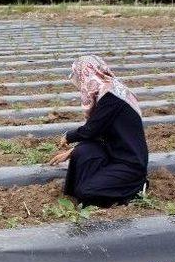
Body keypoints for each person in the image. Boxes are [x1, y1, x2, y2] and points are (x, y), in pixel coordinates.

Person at [49, 55, 148, 207]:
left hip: (129, 163)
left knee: (86, 192)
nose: (79, 81)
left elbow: (91, 130)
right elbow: (100, 132)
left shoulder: (111, 96)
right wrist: (72, 151)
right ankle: (93, 187)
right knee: (82, 151)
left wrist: (69, 136)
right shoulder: (106, 92)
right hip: (112, 152)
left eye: (79, 76)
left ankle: (137, 186)